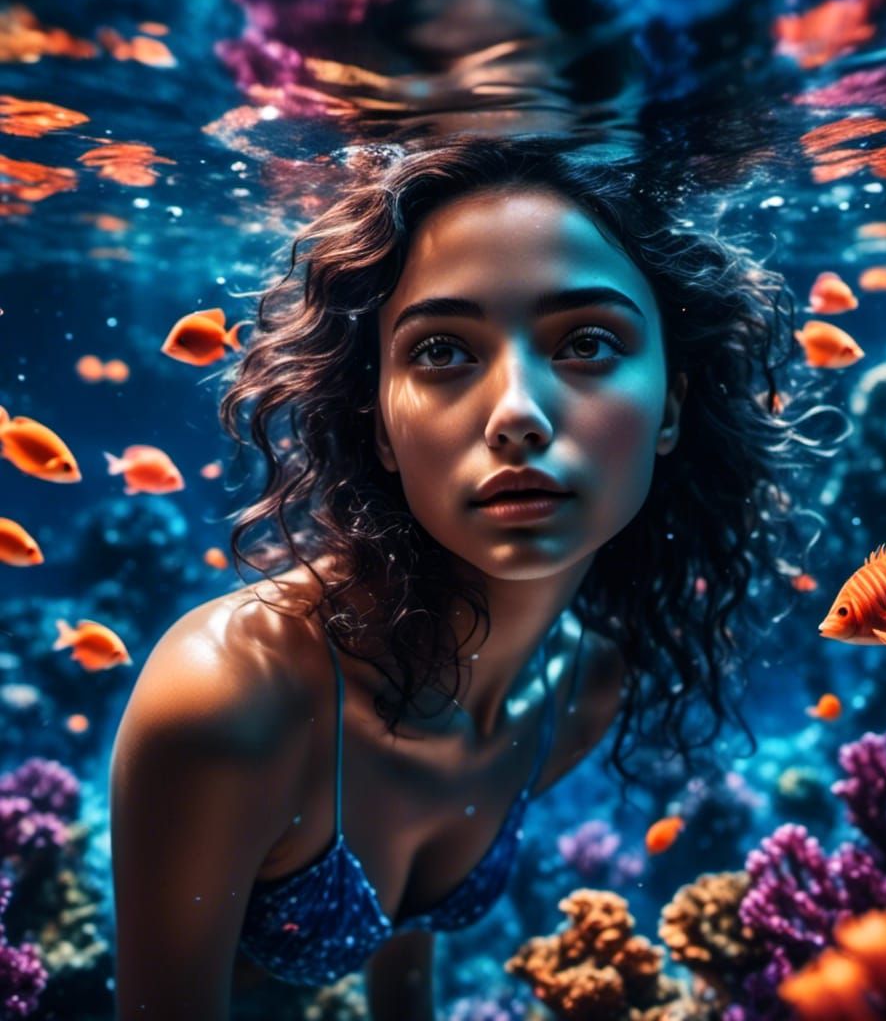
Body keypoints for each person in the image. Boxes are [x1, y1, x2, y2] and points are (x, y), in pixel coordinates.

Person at [109, 133, 821, 1021]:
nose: (518, 413)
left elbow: (405, 958)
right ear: (377, 427)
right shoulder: (228, 699)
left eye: (588, 342)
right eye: (443, 351)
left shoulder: (583, 694)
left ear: (671, 403)